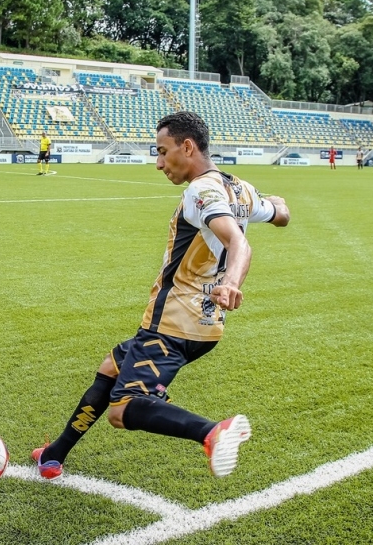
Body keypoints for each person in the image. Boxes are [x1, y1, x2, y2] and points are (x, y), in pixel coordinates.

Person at [31, 111, 290, 480]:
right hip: (207, 325)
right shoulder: (240, 188)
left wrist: (232, 282)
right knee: (111, 367)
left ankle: (212, 432)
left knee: (122, 409)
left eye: (162, 151)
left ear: (187, 147)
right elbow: (280, 213)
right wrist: (278, 209)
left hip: (174, 320)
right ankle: (53, 455)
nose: (158, 163)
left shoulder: (201, 190)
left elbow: (238, 242)